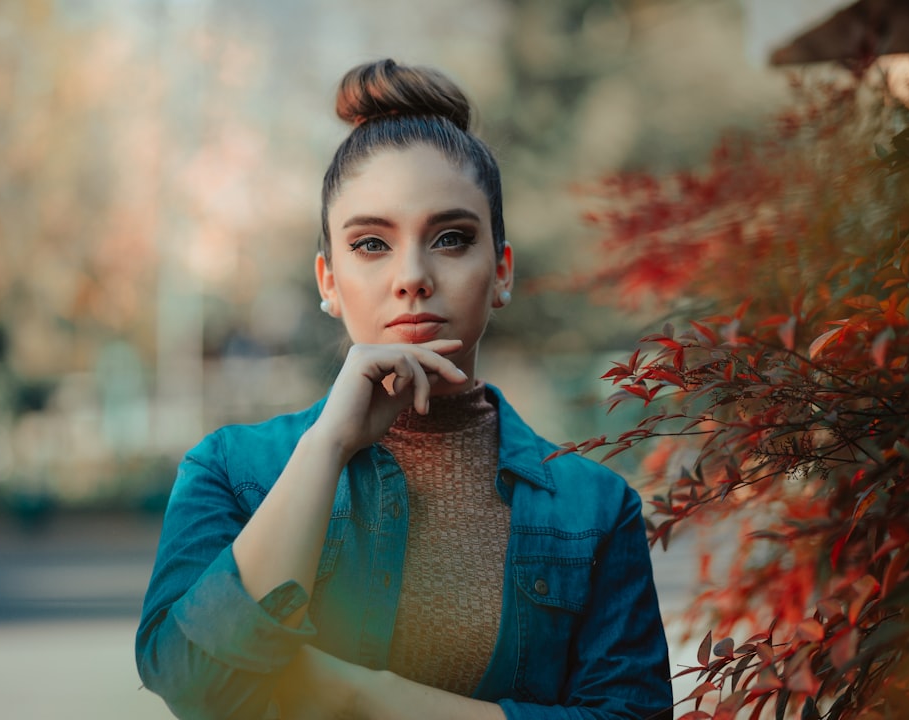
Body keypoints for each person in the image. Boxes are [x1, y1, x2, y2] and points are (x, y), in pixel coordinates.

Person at [136, 58, 672, 720]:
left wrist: (367, 695)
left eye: (450, 239)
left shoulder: (594, 509)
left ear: (501, 271)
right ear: (327, 281)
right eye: (370, 245)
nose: (412, 276)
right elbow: (192, 687)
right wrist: (328, 444)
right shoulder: (230, 471)